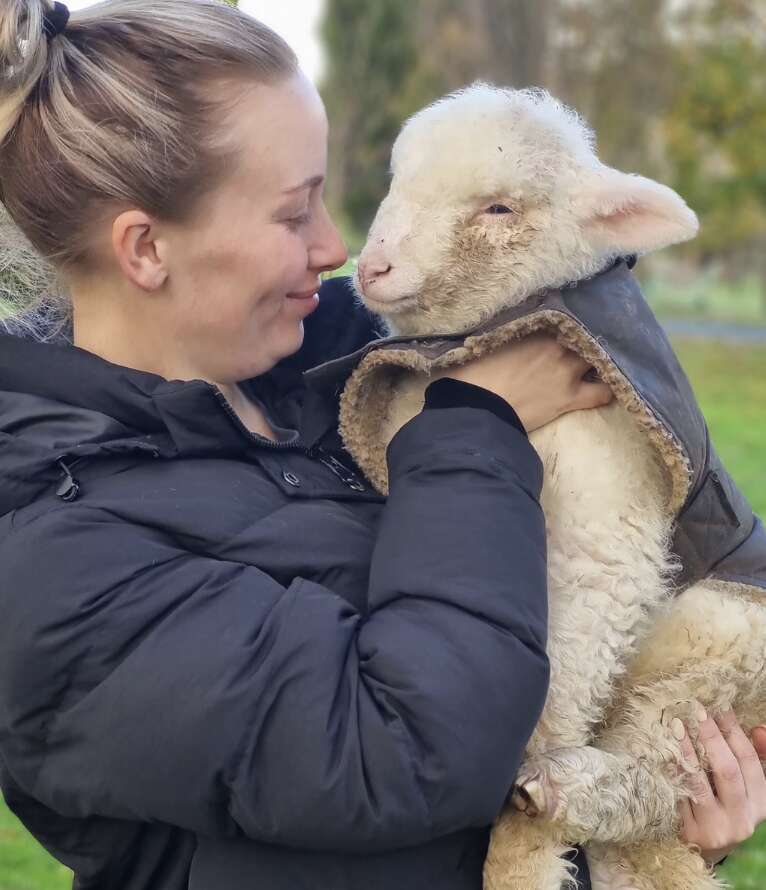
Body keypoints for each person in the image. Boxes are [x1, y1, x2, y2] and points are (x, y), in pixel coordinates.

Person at [0, 2, 763, 889]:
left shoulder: (326, 374)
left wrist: (654, 813)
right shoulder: (50, 567)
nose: (335, 247)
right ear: (146, 250)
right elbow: (408, 753)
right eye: (294, 215)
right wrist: (474, 428)